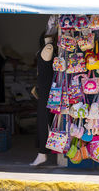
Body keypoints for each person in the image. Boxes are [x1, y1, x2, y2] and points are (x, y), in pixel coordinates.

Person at [30, 33, 56, 166]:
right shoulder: (47, 48)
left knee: (45, 120)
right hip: (44, 89)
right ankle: (42, 152)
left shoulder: (48, 48)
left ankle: (42, 153)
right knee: (43, 119)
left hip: (47, 90)